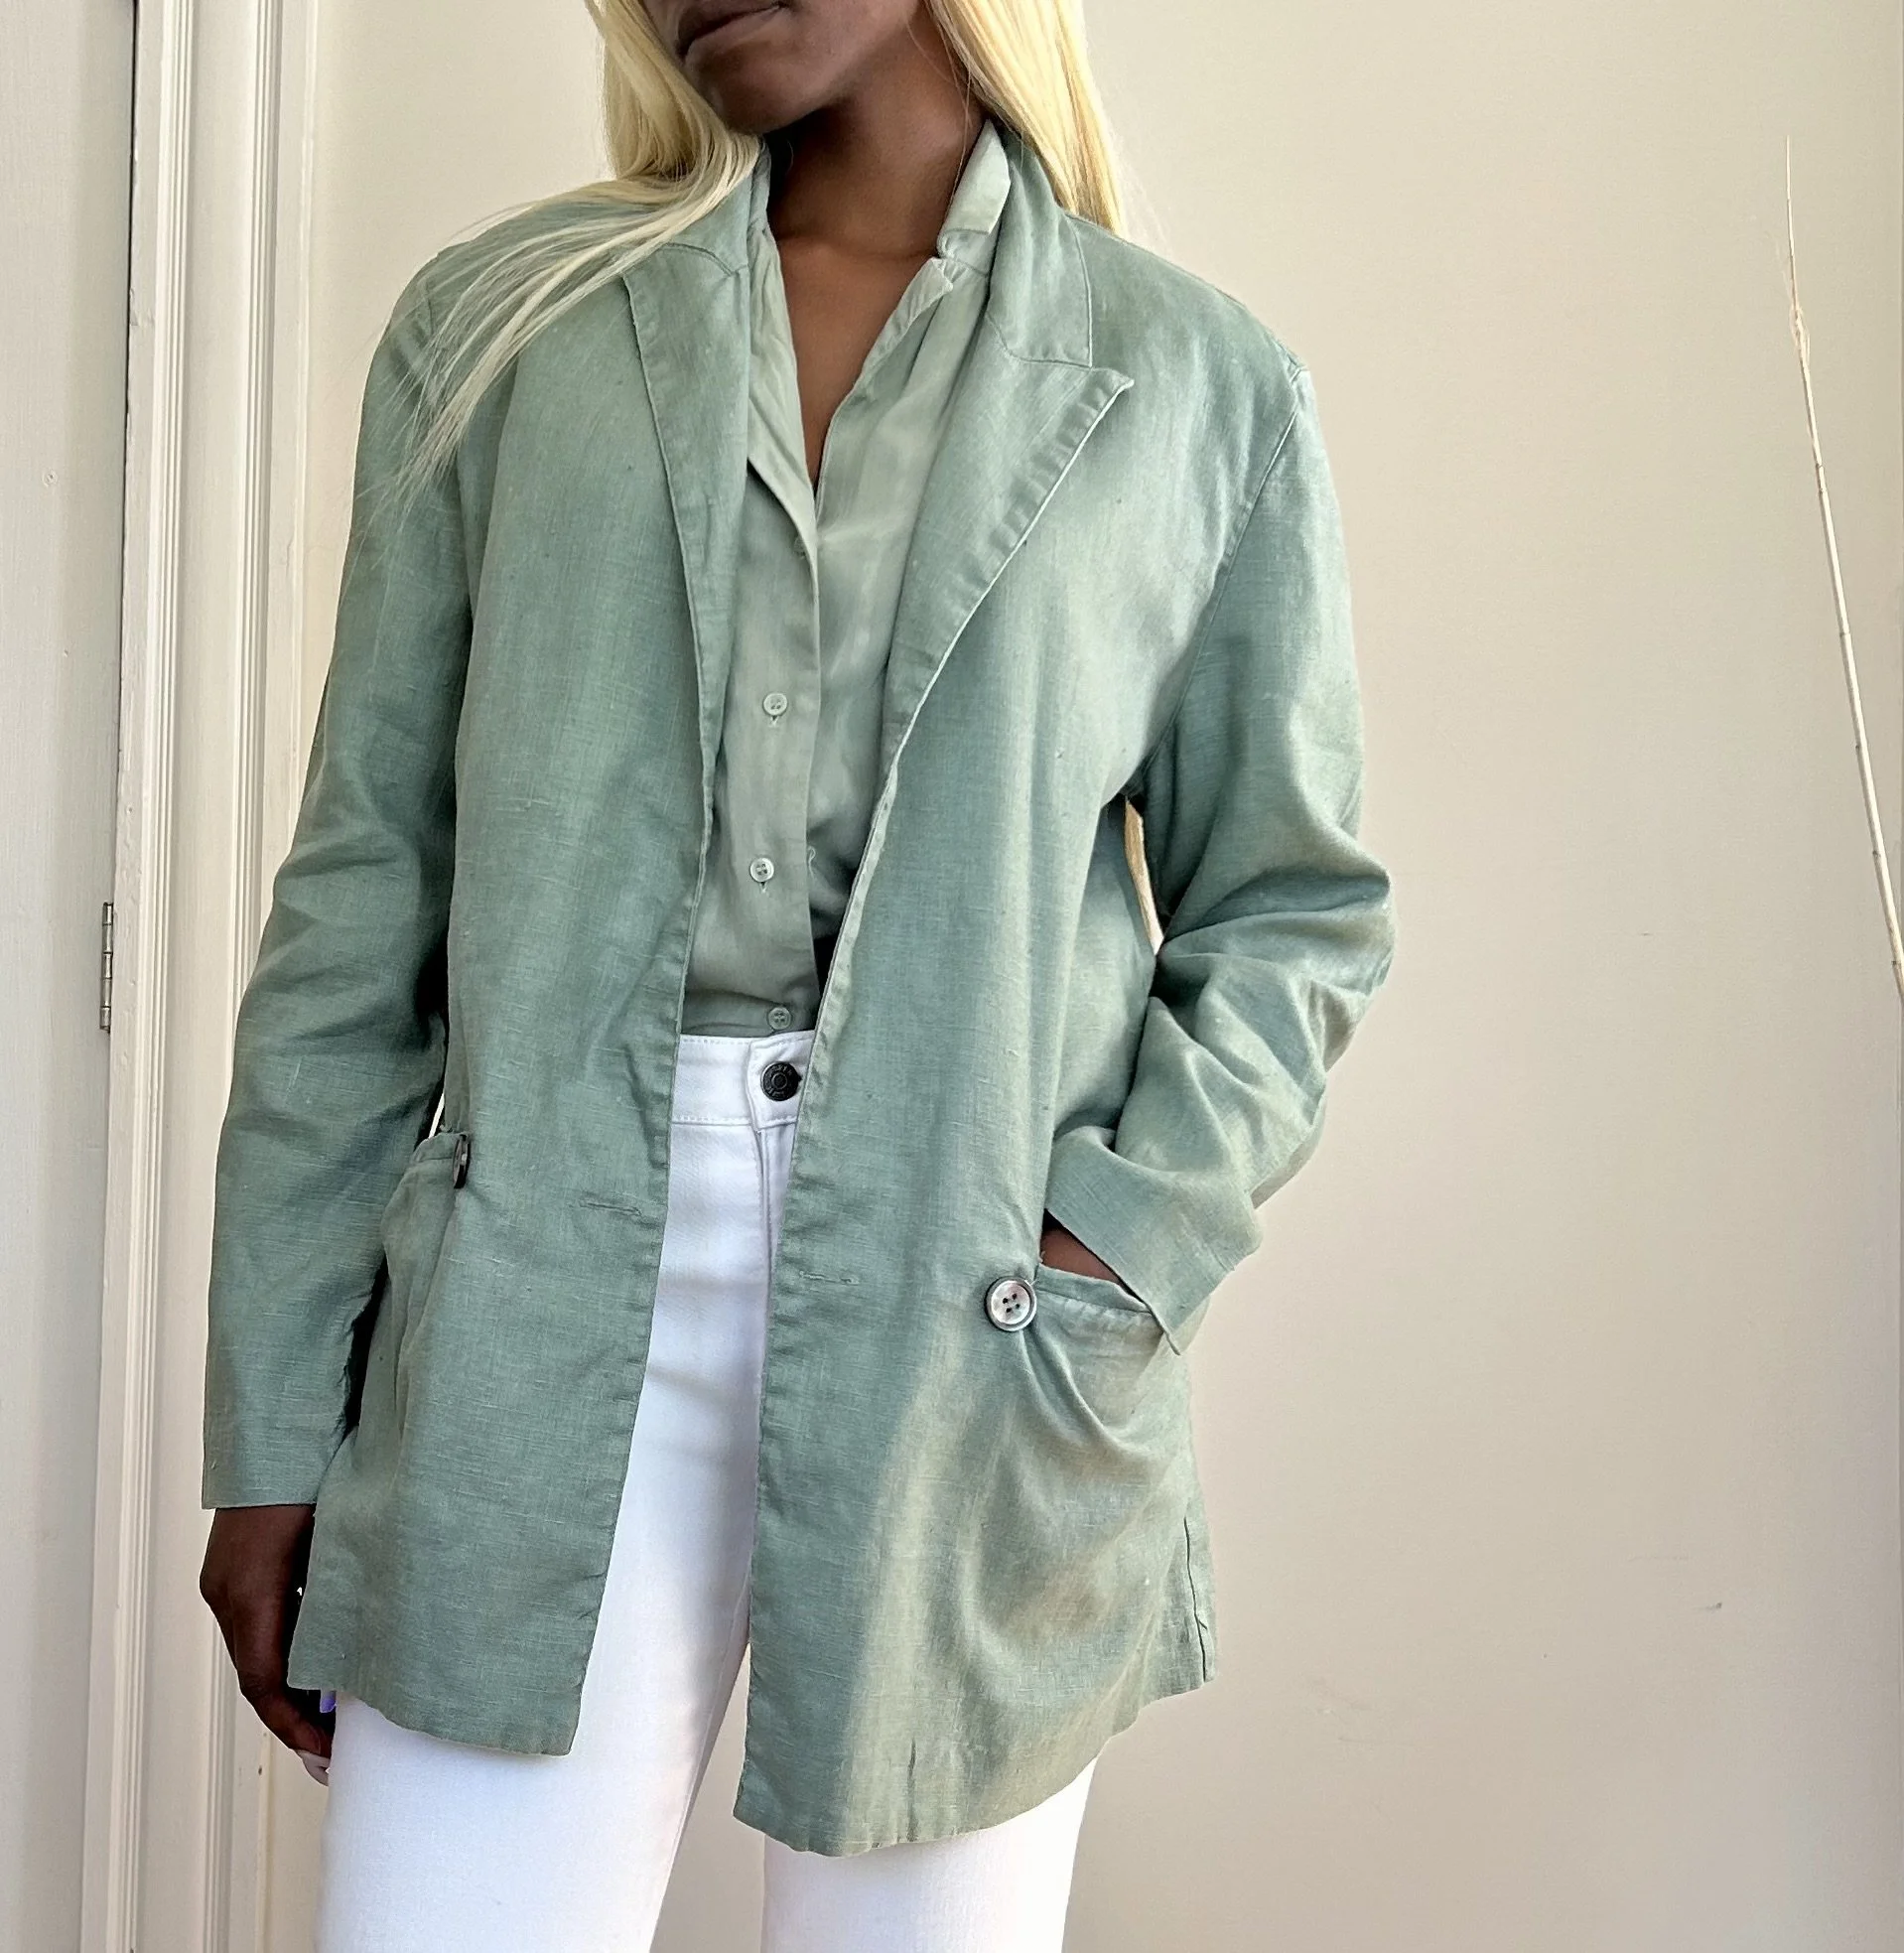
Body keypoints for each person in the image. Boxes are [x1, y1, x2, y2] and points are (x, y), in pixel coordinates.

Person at [197, 0, 1398, 1945]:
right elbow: (360, 894)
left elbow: (1288, 908)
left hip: (977, 1310)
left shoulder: (1195, 384)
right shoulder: (502, 328)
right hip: (529, 1289)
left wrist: (1111, 1249)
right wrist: (267, 1421)